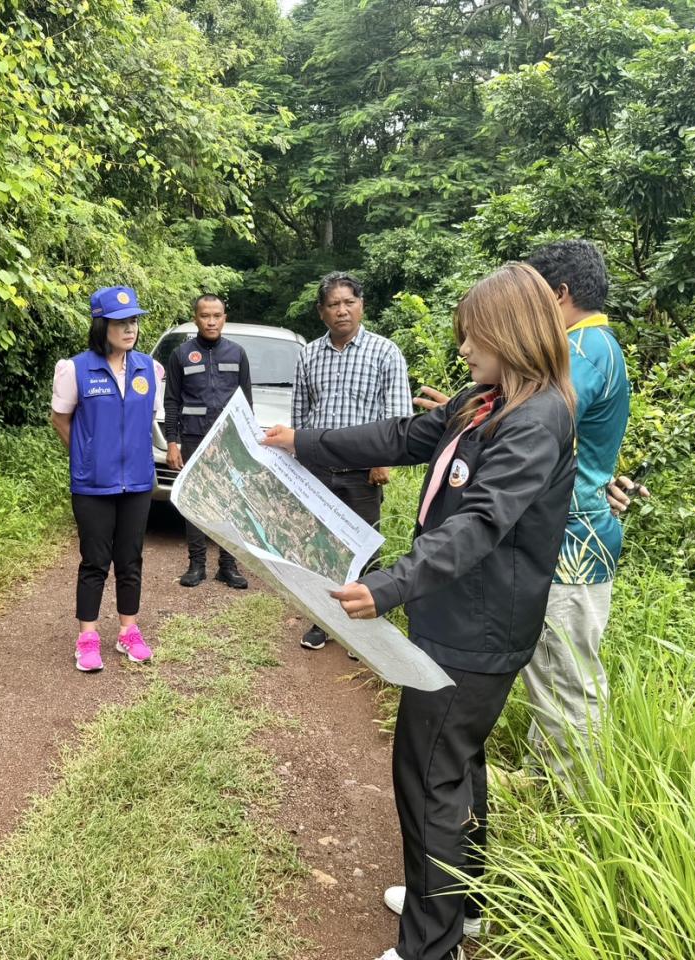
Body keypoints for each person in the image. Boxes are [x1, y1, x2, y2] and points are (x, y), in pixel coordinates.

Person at [265, 263, 578, 960]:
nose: (464, 350)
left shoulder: (537, 420)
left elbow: (482, 523)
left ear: (515, 334)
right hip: (456, 621)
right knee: (457, 767)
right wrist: (303, 442)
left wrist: (389, 586)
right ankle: (461, 904)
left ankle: (427, 947)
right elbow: (404, 437)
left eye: (475, 337)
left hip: (477, 632)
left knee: (429, 775)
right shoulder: (485, 399)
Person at [415, 240, 633, 781]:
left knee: (566, 677)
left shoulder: (582, 349)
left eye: (530, 297)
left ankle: (573, 803)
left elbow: (535, 417)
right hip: (558, 532)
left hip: (568, 541)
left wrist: (471, 409)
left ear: (556, 296)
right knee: (553, 675)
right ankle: (547, 779)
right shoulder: (595, 347)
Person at [292, 271, 412, 651]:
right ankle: (323, 622)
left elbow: (397, 416)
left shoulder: (385, 352)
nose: (341, 310)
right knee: (322, 547)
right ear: (321, 312)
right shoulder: (308, 354)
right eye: (333, 304)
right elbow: (301, 416)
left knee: (366, 548)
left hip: (365, 471)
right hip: (319, 471)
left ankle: (363, 631)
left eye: (349, 302)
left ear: (361, 306)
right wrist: (298, 460)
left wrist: (384, 460)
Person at [50, 286, 164, 672]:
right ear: (102, 325)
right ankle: (88, 637)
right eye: (120, 322)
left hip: (136, 482)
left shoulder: (151, 369)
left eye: (133, 320)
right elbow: (60, 419)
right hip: (92, 485)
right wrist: (86, 456)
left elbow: (148, 420)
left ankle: (129, 632)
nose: (130, 328)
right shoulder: (75, 368)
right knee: (95, 561)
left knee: (130, 559)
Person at [165, 293, 252, 589]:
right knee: (194, 500)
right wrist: (173, 442)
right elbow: (172, 401)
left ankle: (228, 566)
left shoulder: (237, 353)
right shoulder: (180, 355)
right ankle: (196, 564)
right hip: (193, 436)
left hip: (228, 439)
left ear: (224, 318)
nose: (211, 321)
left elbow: (246, 403)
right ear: (196, 318)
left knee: (231, 501)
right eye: (205, 315)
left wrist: (247, 442)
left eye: (217, 315)